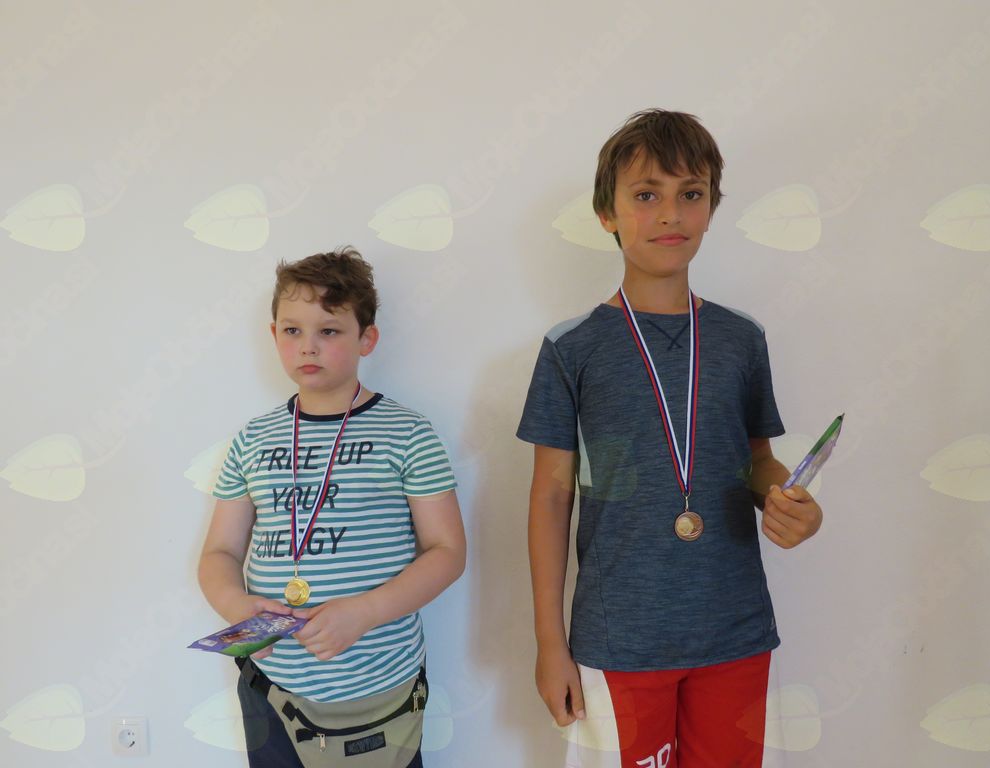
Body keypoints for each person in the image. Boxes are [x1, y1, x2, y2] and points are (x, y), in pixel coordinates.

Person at [517, 109, 823, 767]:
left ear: (711, 208)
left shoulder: (742, 339)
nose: (670, 214)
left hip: (734, 632)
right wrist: (549, 642)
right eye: (646, 195)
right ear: (607, 212)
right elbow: (550, 496)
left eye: (691, 193)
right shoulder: (572, 348)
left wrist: (790, 499)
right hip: (619, 637)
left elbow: (757, 461)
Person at [198, 247, 465, 768]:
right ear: (273, 334)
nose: (308, 346)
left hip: (378, 686)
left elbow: (448, 551)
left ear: (367, 338)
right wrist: (235, 606)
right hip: (271, 684)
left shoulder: (408, 433)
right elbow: (219, 552)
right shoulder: (253, 438)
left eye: (329, 330)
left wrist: (364, 612)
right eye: (292, 330)